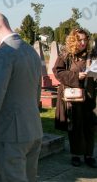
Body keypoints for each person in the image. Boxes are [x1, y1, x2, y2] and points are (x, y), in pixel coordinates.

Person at [0, 12, 43, 182]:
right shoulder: (30, 51)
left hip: (11, 132)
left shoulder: (3, 53)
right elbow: (37, 90)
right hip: (33, 127)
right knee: (30, 177)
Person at [53, 28, 96, 168]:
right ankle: (76, 155)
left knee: (90, 126)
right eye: (80, 40)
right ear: (73, 40)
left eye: (85, 39)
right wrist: (76, 76)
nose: (83, 43)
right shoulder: (66, 55)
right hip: (74, 96)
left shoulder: (92, 54)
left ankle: (89, 155)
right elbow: (58, 72)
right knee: (76, 125)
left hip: (90, 95)